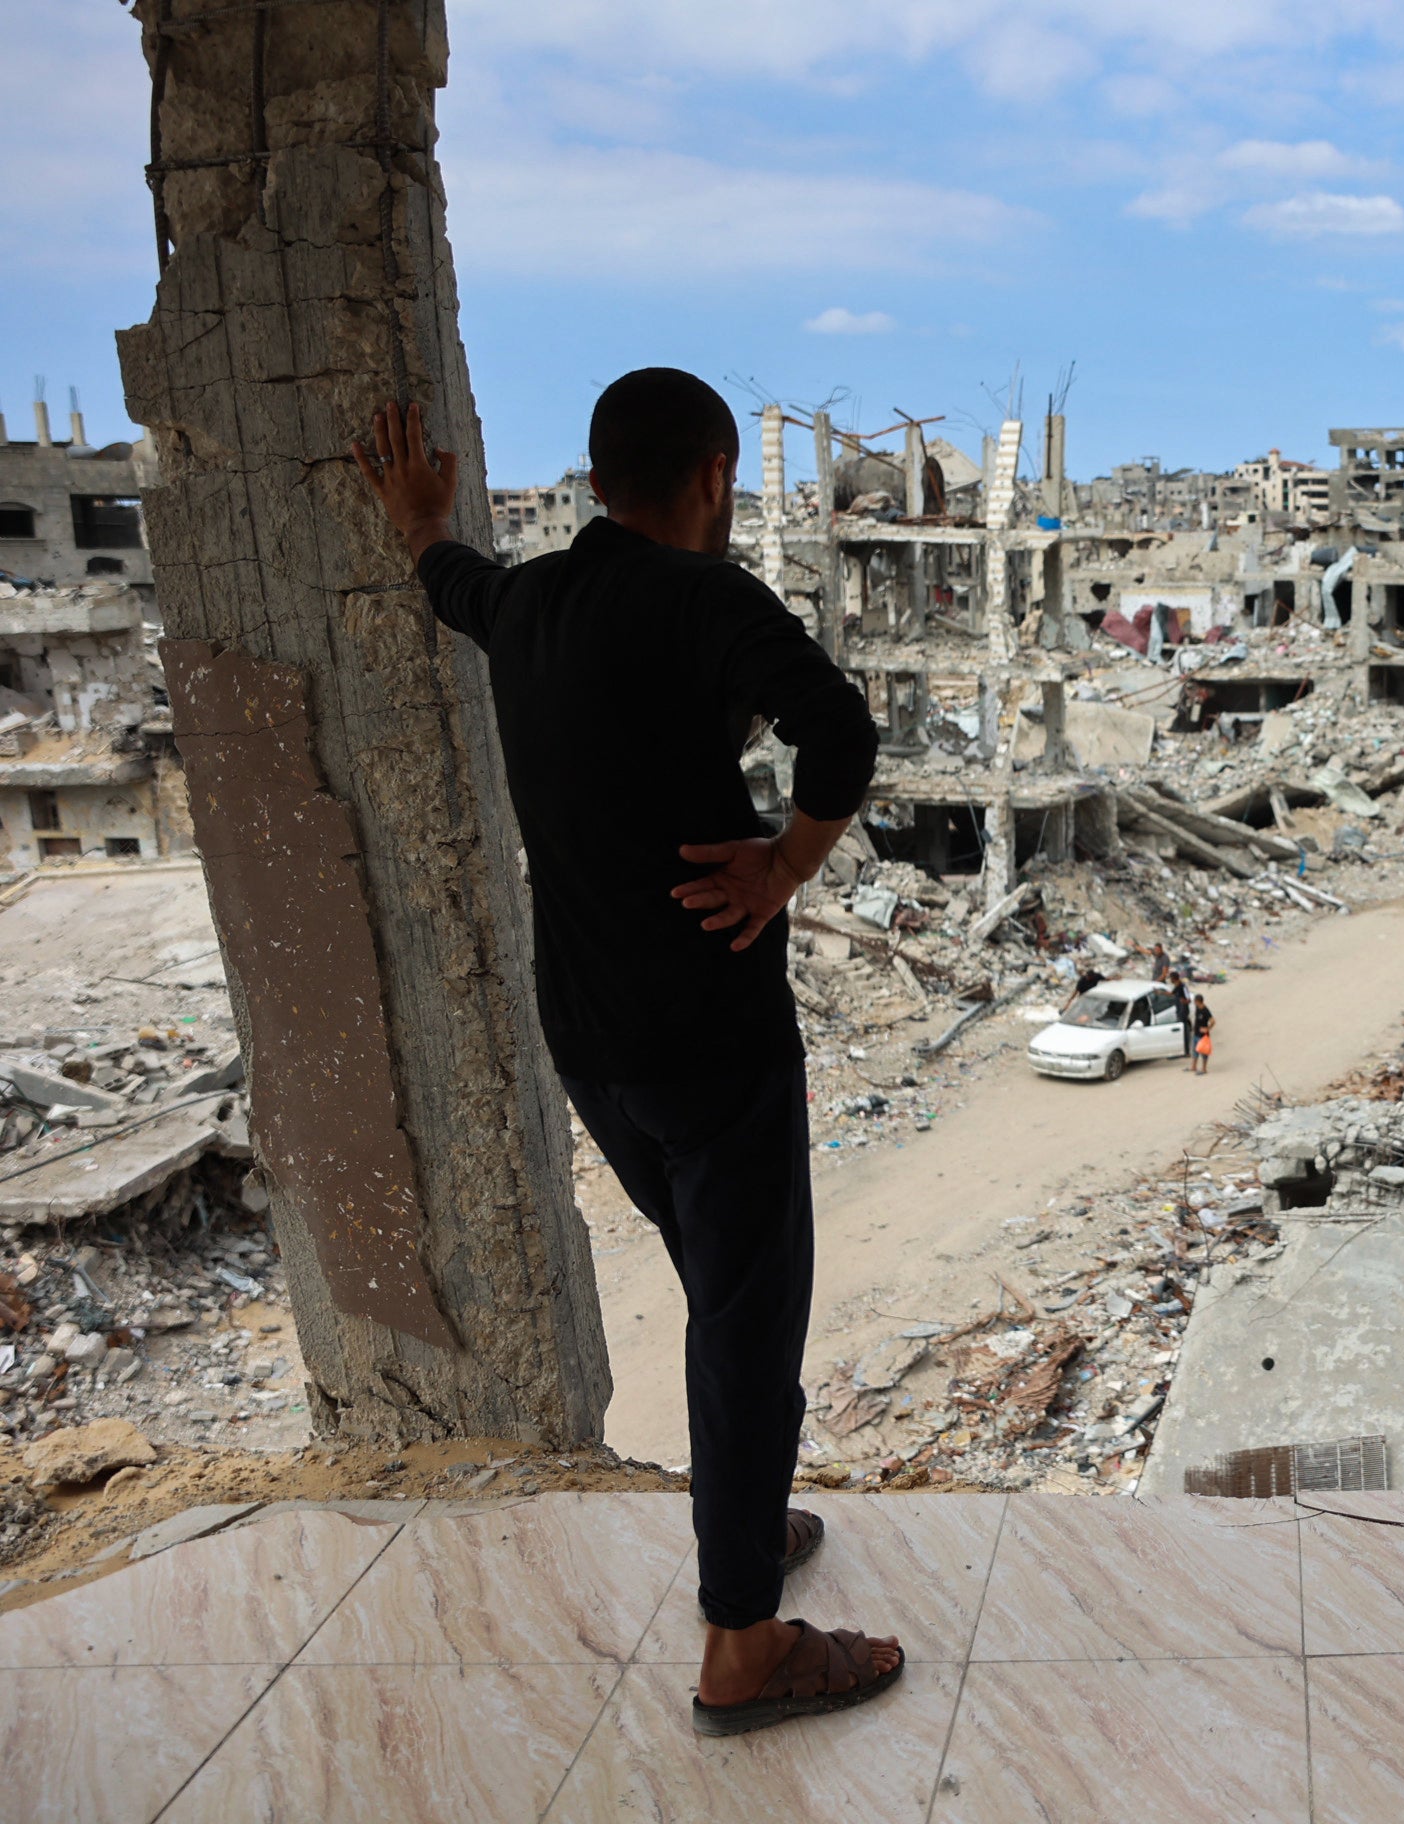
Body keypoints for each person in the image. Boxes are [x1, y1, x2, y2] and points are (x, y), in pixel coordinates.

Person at [354, 376, 900, 1737]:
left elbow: (451, 583)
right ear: (718, 475)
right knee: (748, 1319)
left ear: (597, 487)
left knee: (724, 1296)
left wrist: (419, 520)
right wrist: (784, 865)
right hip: (709, 1041)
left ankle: (744, 1528)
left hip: (588, 1042)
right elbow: (843, 731)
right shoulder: (709, 603)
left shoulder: (529, 604)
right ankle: (742, 1646)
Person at [1191, 998, 1216, 1074]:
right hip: (1196, 1033)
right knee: (1195, 1050)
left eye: (1195, 1001)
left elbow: (1213, 1021)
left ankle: (1204, 1069)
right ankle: (1194, 1066)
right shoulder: (1197, 1008)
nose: (1194, 1003)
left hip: (1203, 1036)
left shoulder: (1205, 1011)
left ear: (1198, 1001)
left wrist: (1207, 1028)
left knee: (1204, 1052)